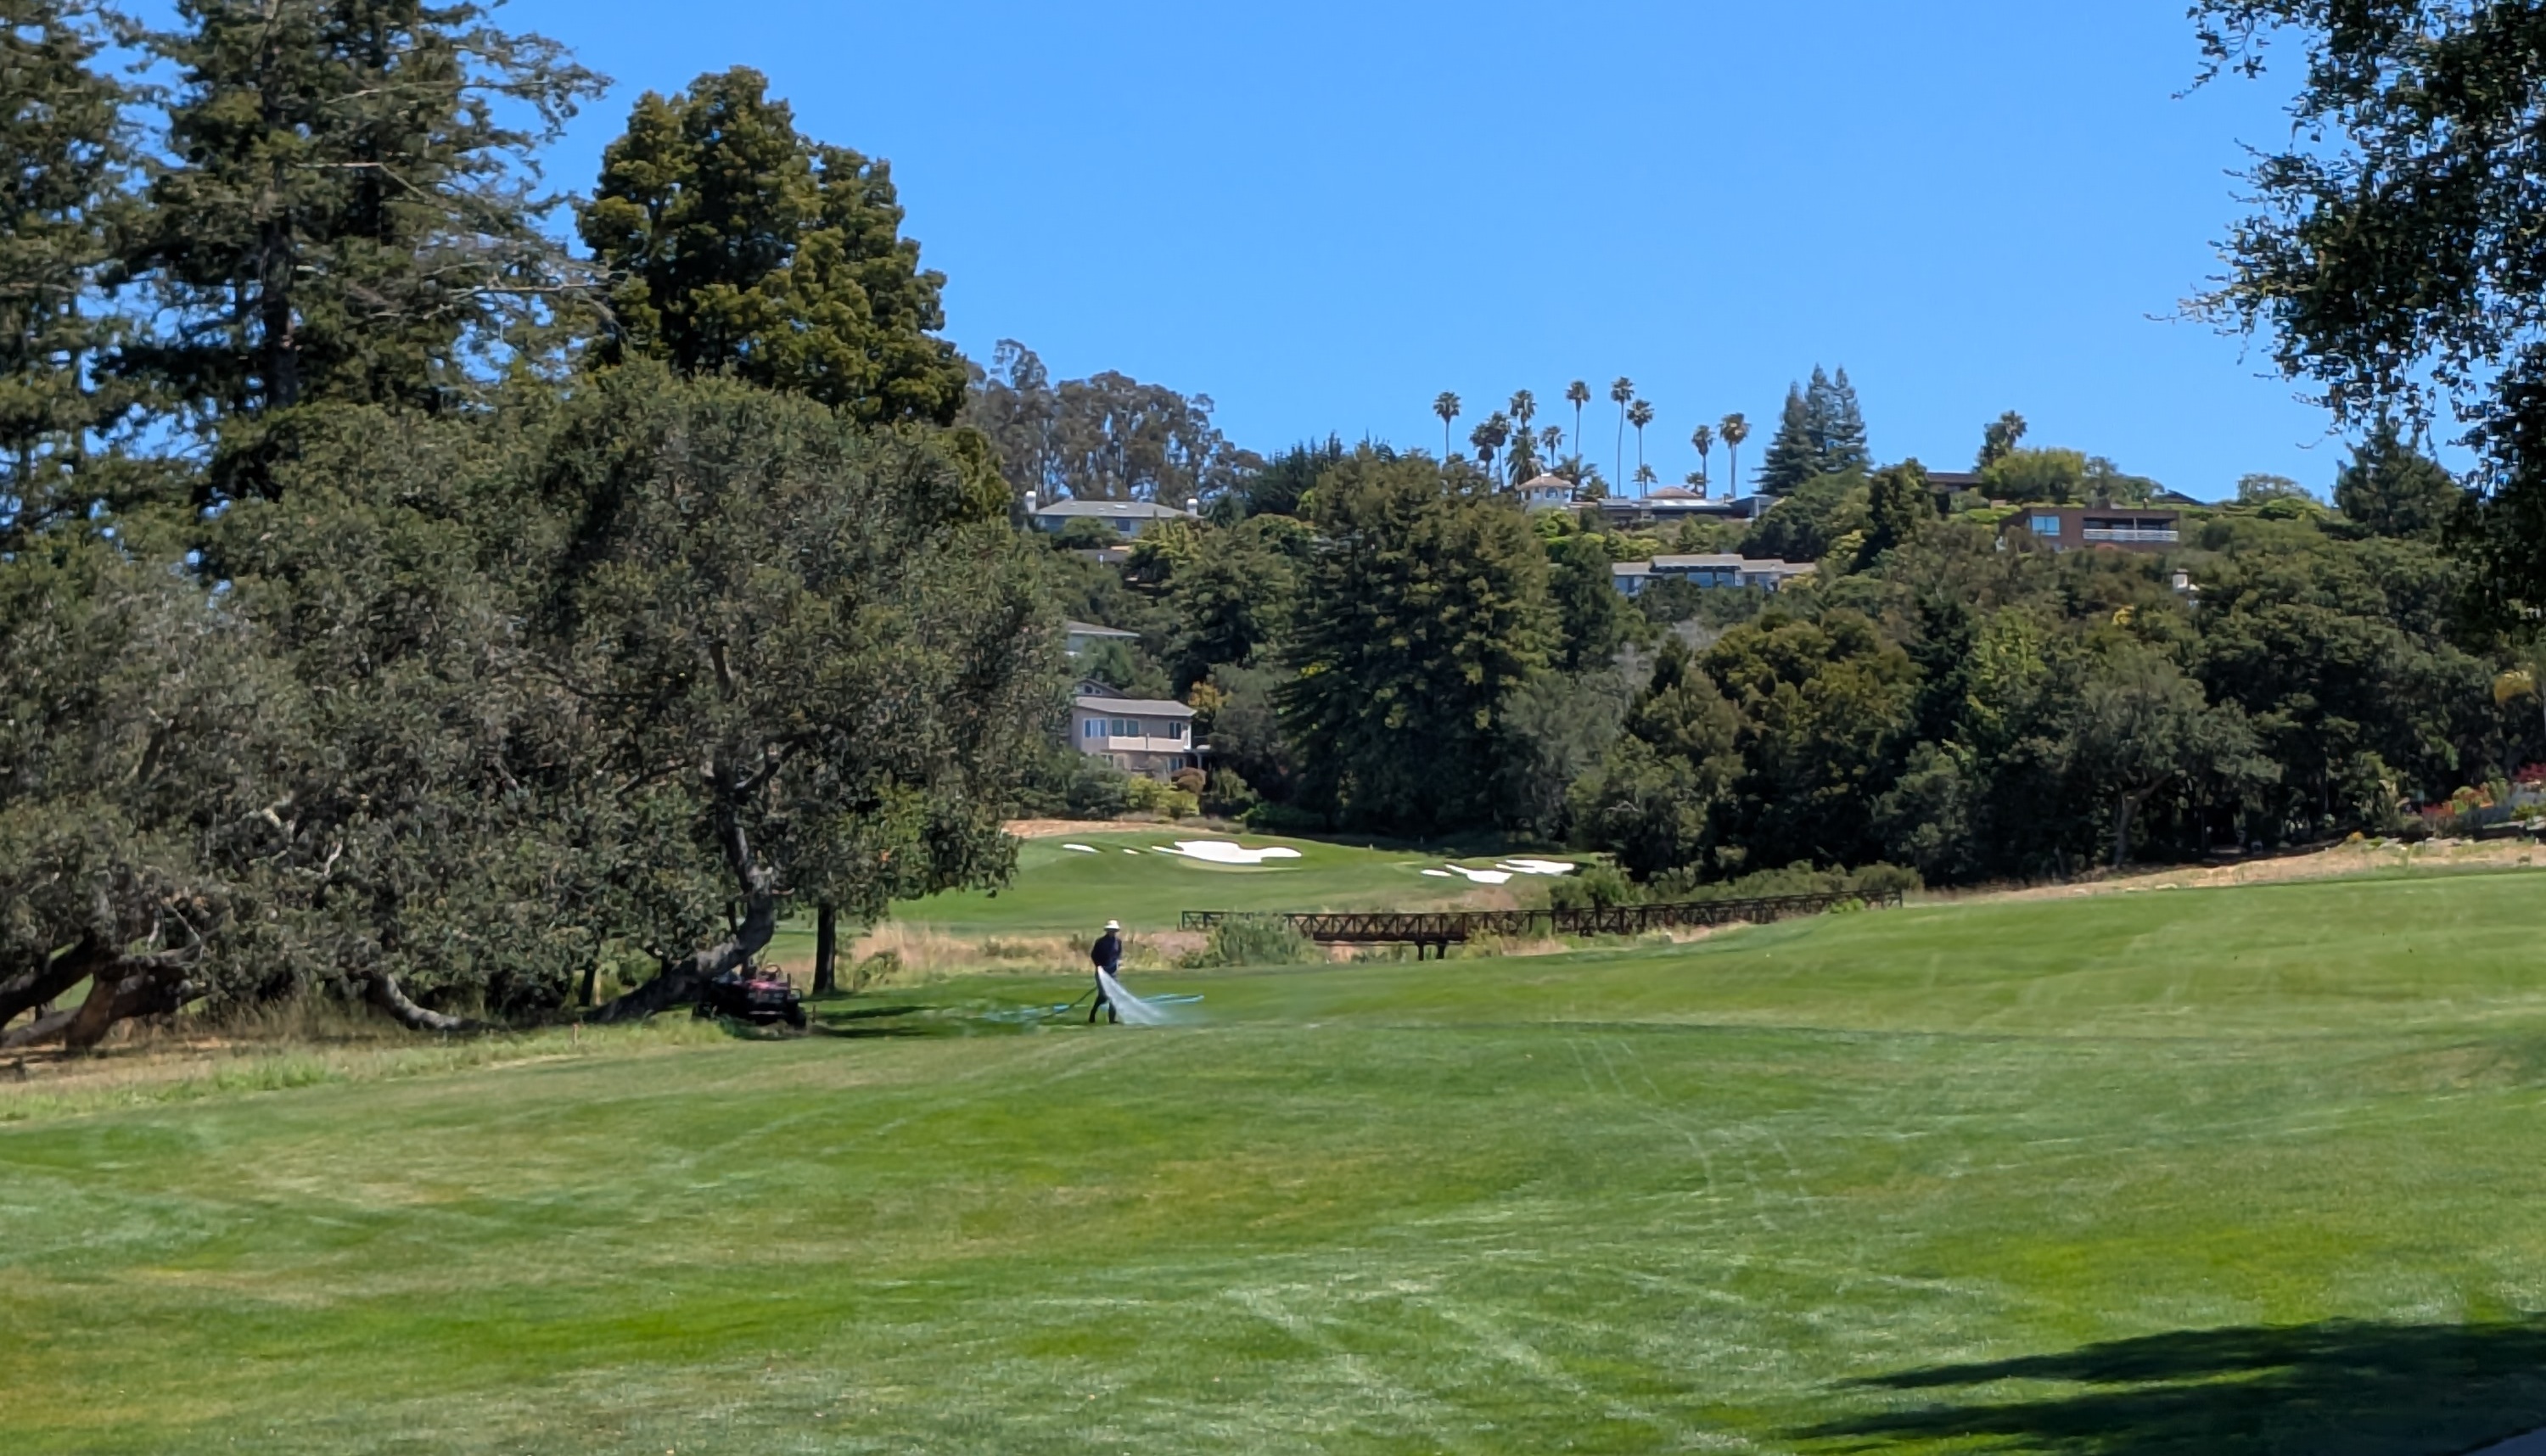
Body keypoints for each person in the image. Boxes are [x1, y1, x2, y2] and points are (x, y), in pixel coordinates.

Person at [1088, 919, 1124, 1024]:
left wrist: (1118, 962)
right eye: (1110, 930)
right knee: (1103, 996)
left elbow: (1118, 954)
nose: (1112, 932)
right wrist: (1098, 966)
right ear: (1107, 930)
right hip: (1101, 972)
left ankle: (1112, 1020)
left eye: (1114, 930)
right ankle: (1093, 1013)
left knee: (1114, 996)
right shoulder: (1100, 942)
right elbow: (1094, 955)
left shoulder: (1118, 942)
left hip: (1113, 973)